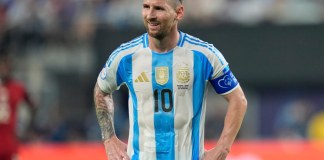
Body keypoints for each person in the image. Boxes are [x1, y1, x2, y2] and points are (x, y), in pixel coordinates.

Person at [93, 0, 247, 159]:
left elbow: (238, 100)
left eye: (159, 8)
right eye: (146, 7)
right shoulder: (126, 56)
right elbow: (101, 90)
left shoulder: (204, 55)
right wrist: (109, 139)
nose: (150, 15)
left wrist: (222, 149)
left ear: (179, 13)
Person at [0, 47, 35, 160]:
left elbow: (33, 105)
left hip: (10, 144)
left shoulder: (18, 87)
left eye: (7, 64)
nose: (4, 68)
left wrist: (24, 128)